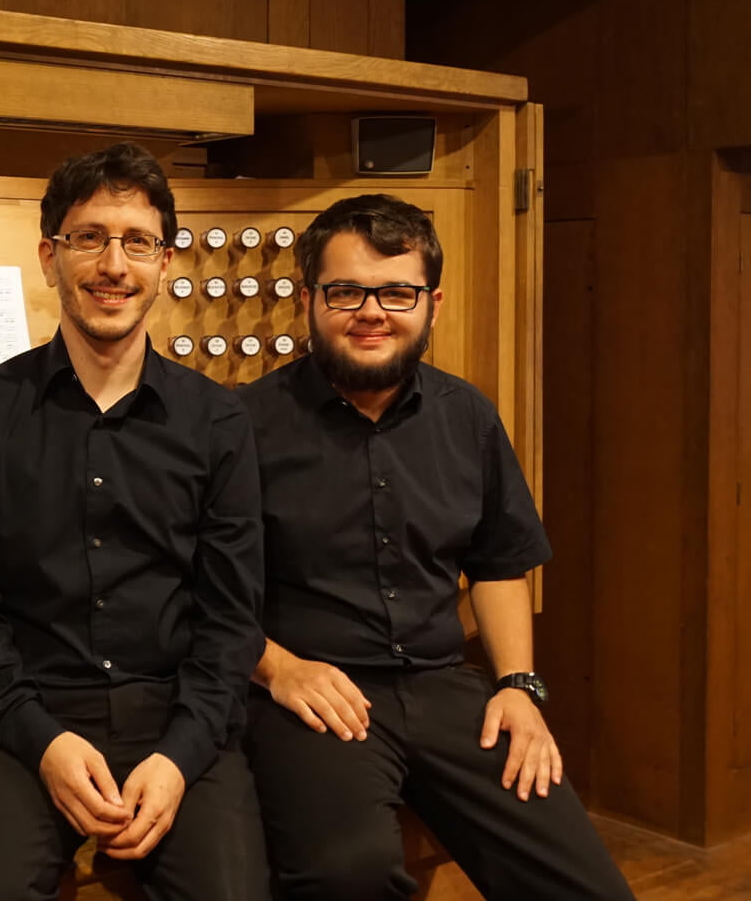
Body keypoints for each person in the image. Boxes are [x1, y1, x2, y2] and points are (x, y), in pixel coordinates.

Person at [238, 193, 633, 899]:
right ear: (307, 301)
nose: (372, 312)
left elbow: (500, 564)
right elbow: (202, 588)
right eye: (346, 291)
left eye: (397, 292)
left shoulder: (468, 415)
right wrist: (279, 670)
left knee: (584, 884)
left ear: (433, 304)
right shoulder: (241, 425)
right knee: (348, 874)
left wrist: (518, 686)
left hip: (445, 685)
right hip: (314, 696)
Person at [0, 142, 271, 901]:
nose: (114, 265)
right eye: (89, 238)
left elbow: (232, 619)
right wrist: (42, 741)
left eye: (137, 242)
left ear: (165, 263)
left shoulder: (216, 421)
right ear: (50, 257)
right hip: (26, 722)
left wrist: (179, 756)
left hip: (178, 719)